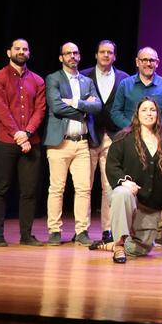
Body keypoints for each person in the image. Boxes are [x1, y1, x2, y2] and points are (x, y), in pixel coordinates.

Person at [97, 98, 162, 264]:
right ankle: (118, 245)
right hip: (130, 199)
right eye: (144, 110)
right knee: (121, 193)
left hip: (151, 204)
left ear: (158, 114)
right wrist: (124, 181)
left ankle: (110, 245)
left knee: (141, 249)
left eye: (152, 110)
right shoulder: (124, 137)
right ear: (137, 114)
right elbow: (112, 165)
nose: (149, 113)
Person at [0, 38, 47, 247]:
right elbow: (1, 109)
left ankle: (26, 235)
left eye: (25, 49)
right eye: (17, 49)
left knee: (29, 191)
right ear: (8, 52)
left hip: (32, 141)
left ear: (29, 53)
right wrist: (18, 135)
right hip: (6, 141)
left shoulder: (38, 80)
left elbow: (40, 110)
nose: (21, 51)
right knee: (2, 187)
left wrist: (28, 133)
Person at [44, 42, 103, 245]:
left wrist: (76, 103)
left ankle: (81, 231)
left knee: (84, 189)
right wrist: (84, 109)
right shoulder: (53, 78)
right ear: (61, 57)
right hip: (60, 143)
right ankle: (54, 230)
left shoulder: (87, 81)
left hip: (82, 144)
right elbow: (57, 107)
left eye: (76, 52)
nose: (72, 56)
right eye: (68, 53)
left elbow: (98, 107)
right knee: (57, 188)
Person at [82, 40, 129, 243]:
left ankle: (108, 229)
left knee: (109, 185)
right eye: (102, 52)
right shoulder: (83, 76)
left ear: (115, 56)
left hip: (113, 136)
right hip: (90, 135)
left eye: (110, 52)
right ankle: (81, 230)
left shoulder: (124, 78)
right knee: (85, 186)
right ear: (96, 55)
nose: (106, 55)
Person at [111, 47, 162, 135]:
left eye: (152, 60)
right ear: (137, 62)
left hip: (157, 137)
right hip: (129, 136)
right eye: (144, 60)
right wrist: (133, 128)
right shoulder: (125, 84)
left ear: (157, 63)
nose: (148, 63)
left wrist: (155, 129)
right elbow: (116, 112)